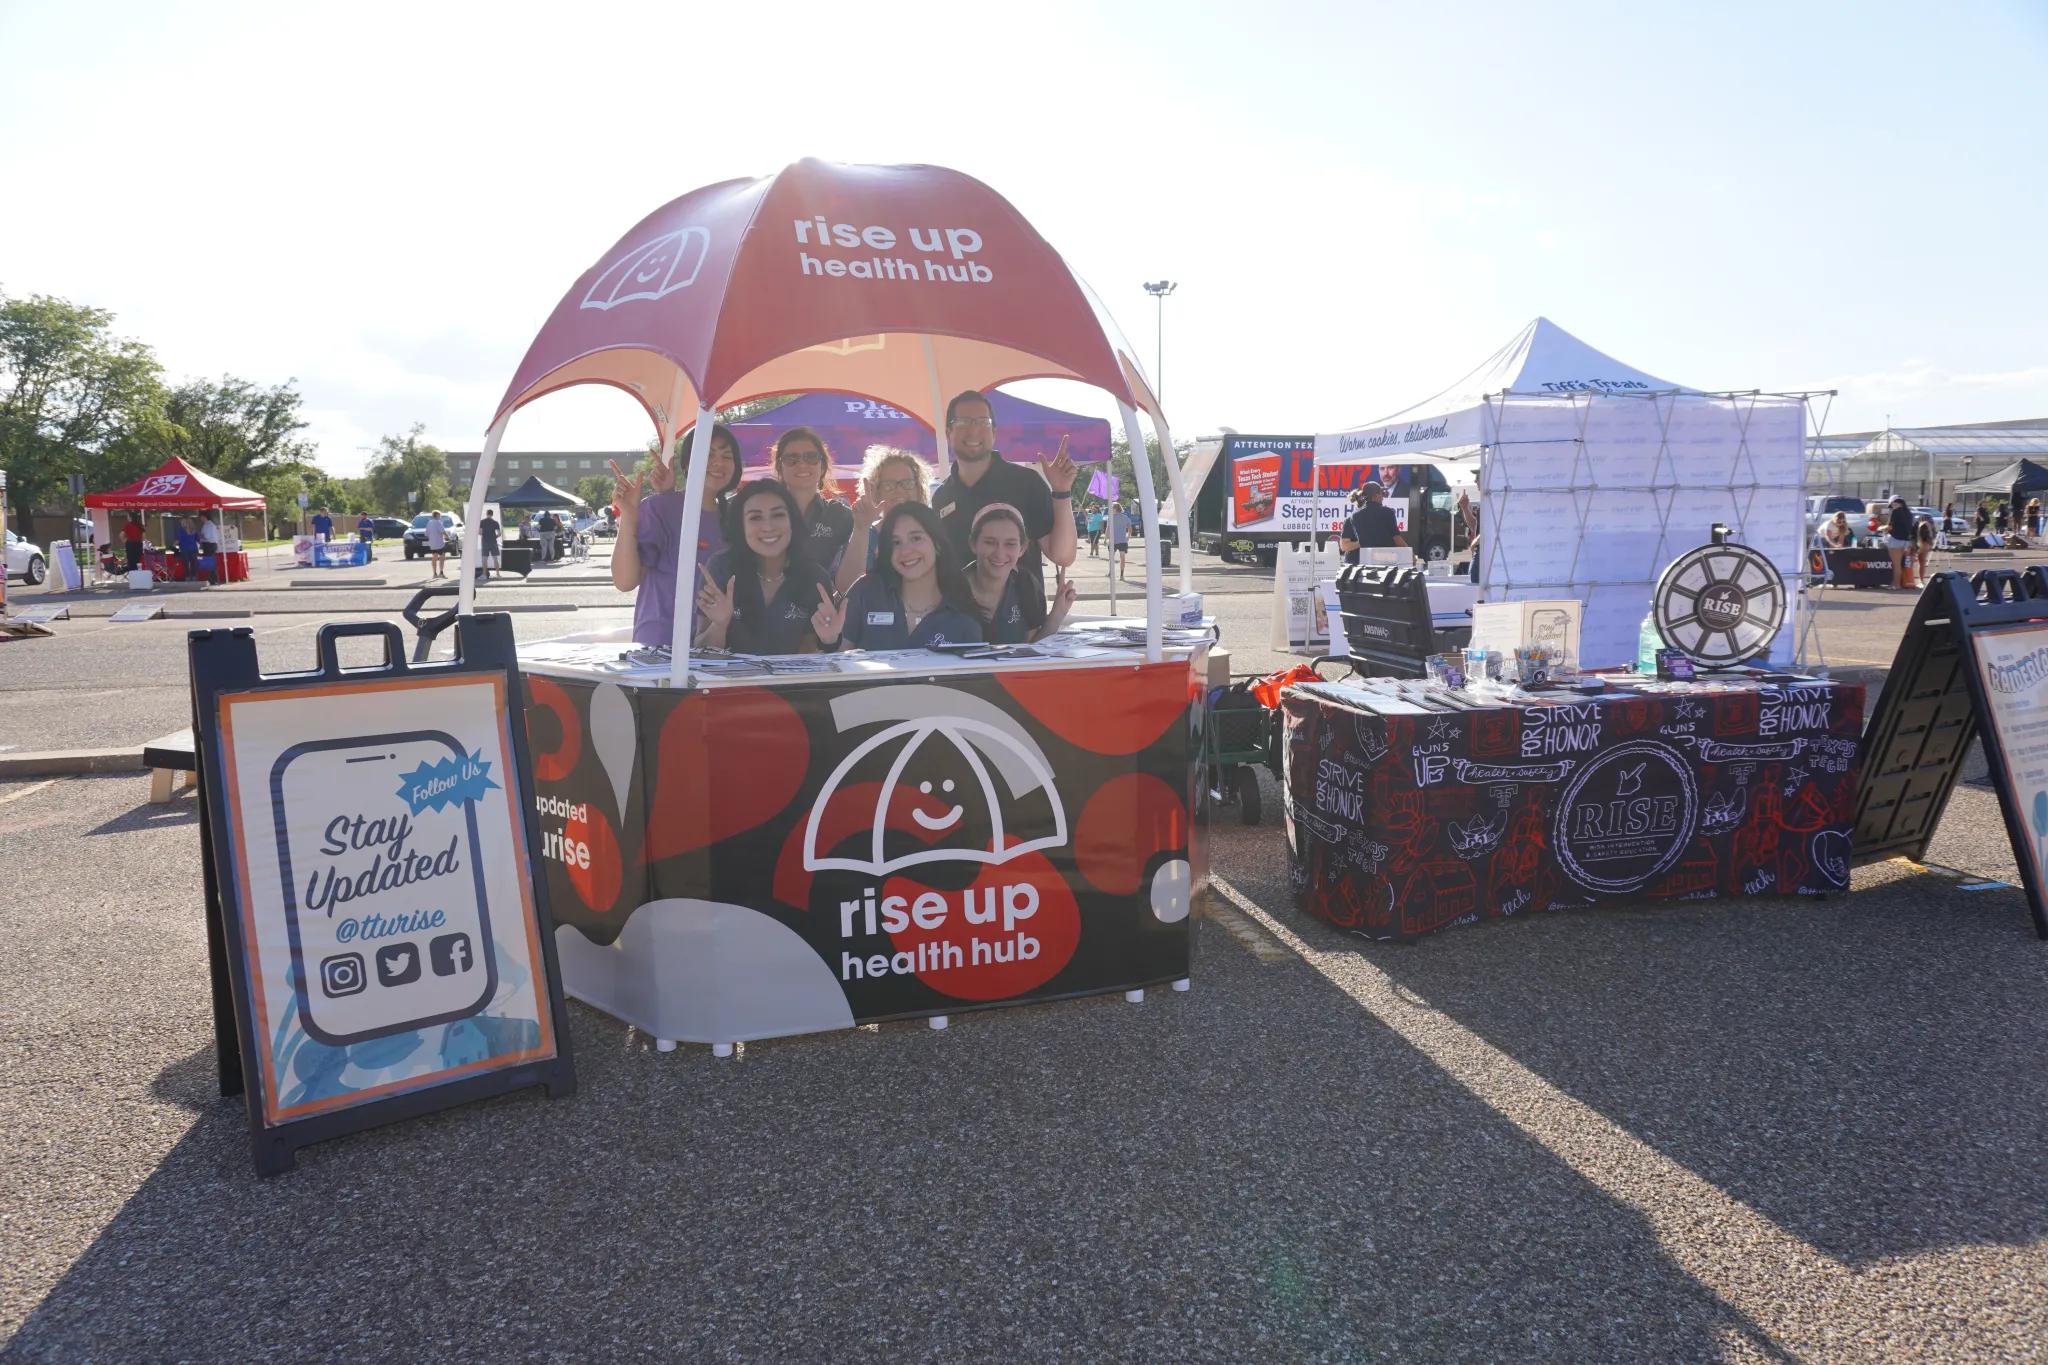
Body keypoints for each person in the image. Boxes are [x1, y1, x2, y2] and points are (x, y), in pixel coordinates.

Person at [928, 391, 1076, 609]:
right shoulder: (942, 496)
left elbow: (1063, 556)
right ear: (949, 433)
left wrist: (1062, 491)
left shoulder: (1026, 483)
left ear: (994, 433)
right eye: (963, 422)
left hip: (1021, 619)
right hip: (959, 619)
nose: (973, 430)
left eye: (983, 422)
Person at [611, 421, 744, 648]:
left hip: (717, 648)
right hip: (661, 648)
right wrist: (629, 516)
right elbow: (625, 581)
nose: (718, 462)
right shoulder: (659, 508)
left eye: (726, 456)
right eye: (708, 454)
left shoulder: (737, 518)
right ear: (686, 464)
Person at [814, 502, 984, 651]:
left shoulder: (962, 613)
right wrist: (830, 641)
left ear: (937, 544)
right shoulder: (866, 592)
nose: (906, 551)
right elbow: (839, 665)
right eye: (896, 542)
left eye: (916, 538)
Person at [693, 479, 832, 655]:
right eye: (755, 517)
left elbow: (808, 651)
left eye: (778, 515)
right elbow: (699, 652)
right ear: (741, 526)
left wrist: (829, 640)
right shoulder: (721, 568)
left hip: (787, 674)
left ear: (792, 520)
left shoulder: (815, 578)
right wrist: (719, 624)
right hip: (729, 674)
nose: (768, 527)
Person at [966, 504, 1078, 644]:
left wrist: (1058, 612)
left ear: (1022, 548)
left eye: (1010, 544)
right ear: (973, 544)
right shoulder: (949, 590)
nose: (1000, 553)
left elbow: (1031, 647)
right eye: (990, 542)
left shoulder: (1026, 586)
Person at [836, 446, 931, 596]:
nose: (899, 490)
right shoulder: (867, 534)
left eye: (907, 483)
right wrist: (861, 528)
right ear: (876, 492)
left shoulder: (934, 531)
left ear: (918, 489)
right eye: (889, 485)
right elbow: (846, 588)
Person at [773, 427, 854, 576]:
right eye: (791, 459)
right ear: (779, 467)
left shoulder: (842, 516)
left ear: (822, 466)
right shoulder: (765, 514)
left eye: (811, 457)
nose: (802, 464)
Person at [1339, 480, 1407, 565]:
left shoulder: (1356, 516)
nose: (1383, 498)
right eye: (1381, 494)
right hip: (1356, 562)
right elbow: (1344, 546)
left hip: (1372, 561)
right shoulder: (1352, 518)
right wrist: (1365, 541)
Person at [1885, 497, 1915, 589]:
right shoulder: (1909, 513)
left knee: (1896, 565)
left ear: (1899, 504)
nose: (1893, 507)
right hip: (1906, 541)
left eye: (1894, 504)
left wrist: (1881, 528)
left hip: (1895, 540)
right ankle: (1900, 583)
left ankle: (1896, 584)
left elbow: (1890, 527)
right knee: (1903, 564)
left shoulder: (1895, 512)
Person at [1110, 501, 1133, 579]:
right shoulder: (1125, 517)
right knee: (1122, 558)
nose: (1111, 509)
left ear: (1115, 509)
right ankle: (1121, 575)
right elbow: (1130, 528)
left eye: (1112, 508)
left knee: (1111, 557)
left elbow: (1107, 529)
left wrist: (1106, 538)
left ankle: (1111, 572)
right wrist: (1128, 537)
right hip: (1123, 541)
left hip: (1113, 541)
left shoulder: (1111, 517)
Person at [173, 516, 200, 582]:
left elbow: (179, 540)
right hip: (193, 549)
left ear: (186, 522)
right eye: (181, 522)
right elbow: (198, 539)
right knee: (193, 563)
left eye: (183, 522)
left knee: (186, 564)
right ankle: (193, 577)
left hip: (185, 549)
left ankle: (188, 577)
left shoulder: (181, 531)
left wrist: (173, 545)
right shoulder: (194, 530)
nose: (181, 523)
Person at [425, 510, 448, 578]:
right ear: (437, 515)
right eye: (440, 515)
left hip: (432, 544)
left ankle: (434, 574)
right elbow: (443, 531)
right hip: (439, 544)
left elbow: (426, 533)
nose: (440, 517)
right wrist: (448, 537)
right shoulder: (438, 522)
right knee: (442, 557)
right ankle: (441, 573)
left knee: (434, 557)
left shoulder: (429, 523)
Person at [479, 508, 501, 576]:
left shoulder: (482, 522)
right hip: (493, 542)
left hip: (485, 542)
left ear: (486, 514)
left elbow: (480, 532)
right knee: (495, 558)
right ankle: (498, 574)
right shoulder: (495, 522)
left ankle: (484, 574)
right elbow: (499, 534)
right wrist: (494, 537)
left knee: (484, 559)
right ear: (492, 514)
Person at [1914, 514, 1935, 585]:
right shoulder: (1930, 525)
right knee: (1922, 562)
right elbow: (1932, 536)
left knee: (1920, 562)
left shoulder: (1921, 525)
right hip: (1927, 543)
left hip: (1922, 543)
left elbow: (1919, 536)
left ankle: (1920, 580)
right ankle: (1921, 580)